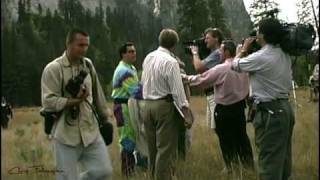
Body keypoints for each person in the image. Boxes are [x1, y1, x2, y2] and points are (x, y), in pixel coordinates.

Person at [41, 29, 112, 180]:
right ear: (68, 44)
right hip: (65, 134)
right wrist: (74, 101)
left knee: (104, 171)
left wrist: (105, 120)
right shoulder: (53, 69)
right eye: (80, 45)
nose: (84, 49)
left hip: (90, 131)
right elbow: (48, 102)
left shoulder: (88, 65)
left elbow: (97, 94)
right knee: (67, 177)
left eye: (86, 45)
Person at [232, 18, 295, 180]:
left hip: (269, 112)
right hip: (285, 108)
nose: (257, 34)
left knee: (268, 162)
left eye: (258, 31)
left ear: (263, 35)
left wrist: (242, 49)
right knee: (283, 158)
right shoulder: (284, 53)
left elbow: (235, 65)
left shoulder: (261, 57)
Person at [184, 40, 254, 173]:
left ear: (226, 52)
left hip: (224, 110)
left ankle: (231, 167)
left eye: (221, 51)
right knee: (242, 138)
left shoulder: (221, 68)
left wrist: (185, 78)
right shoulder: (244, 67)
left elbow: (201, 79)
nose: (219, 53)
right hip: (240, 108)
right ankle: (248, 167)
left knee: (226, 140)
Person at [140, 28, 193, 180]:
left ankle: (152, 176)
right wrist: (186, 112)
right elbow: (177, 92)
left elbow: (144, 81)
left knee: (152, 149)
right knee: (165, 150)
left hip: (147, 105)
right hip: (164, 106)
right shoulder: (171, 62)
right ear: (174, 44)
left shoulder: (149, 57)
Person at [111, 42, 144, 176]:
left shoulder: (131, 68)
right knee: (127, 138)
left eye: (134, 51)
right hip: (123, 106)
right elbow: (135, 91)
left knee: (133, 136)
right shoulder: (123, 71)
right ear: (123, 54)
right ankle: (127, 172)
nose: (134, 53)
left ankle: (133, 169)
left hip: (129, 105)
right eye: (130, 51)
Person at [190, 28, 223, 130]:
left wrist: (195, 53)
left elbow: (199, 67)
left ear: (216, 38)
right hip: (210, 94)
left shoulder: (218, 53)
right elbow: (200, 69)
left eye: (207, 38)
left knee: (218, 129)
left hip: (215, 95)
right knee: (214, 128)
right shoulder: (213, 54)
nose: (205, 41)